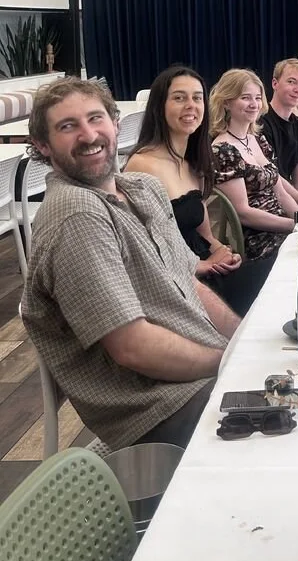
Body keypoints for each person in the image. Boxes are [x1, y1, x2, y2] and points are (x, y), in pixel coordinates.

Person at [20, 78, 238, 451]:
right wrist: (230, 362)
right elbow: (132, 347)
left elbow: (189, 280)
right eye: (67, 126)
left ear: (116, 124)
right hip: (161, 411)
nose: (88, 135)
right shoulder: (76, 214)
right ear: (42, 145)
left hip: (200, 379)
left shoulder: (142, 188)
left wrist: (241, 339)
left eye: (95, 118)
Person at [125, 66, 271, 318]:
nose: (190, 105)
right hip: (180, 287)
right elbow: (140, 251)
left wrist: (218, 249)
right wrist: (202, 266)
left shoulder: (193, 160)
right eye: (179, 98)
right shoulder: (142, 165)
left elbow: (202, 223)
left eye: (196, 97)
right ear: (160, 106)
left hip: (207, 269)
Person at [210, 69, 298, 271]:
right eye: (245, 98)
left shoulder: (256, 138)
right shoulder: (223, 150)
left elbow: (281, 192)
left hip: (283, 226)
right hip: (260, 239)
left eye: (258, 98)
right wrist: (294, 227)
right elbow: (244, 213)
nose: (254, 104)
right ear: (226, 102)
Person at [260, 58, 298, 201]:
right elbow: (272, 180)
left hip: (287, 197)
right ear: (274, 83)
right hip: (267, 199)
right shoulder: (260, 123)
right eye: (291, 82)